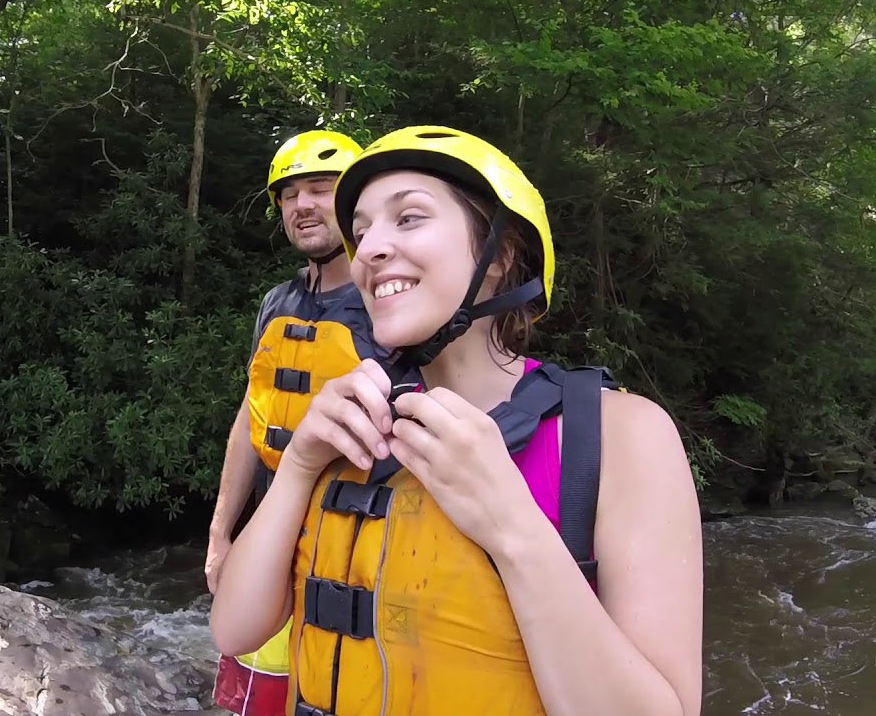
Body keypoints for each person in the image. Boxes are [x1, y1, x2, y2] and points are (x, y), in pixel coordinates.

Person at [209, 125, 704, 716]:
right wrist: (298, 466)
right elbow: (234, 630)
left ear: (500, 257)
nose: (367, 250)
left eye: (409, 218)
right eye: (361, 232)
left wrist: (511, 526)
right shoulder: (355, 423)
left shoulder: (622, 434)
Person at [206, 129, 422, 716]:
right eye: (289, 194)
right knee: (256, 702)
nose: (302, 205)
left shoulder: (394, 300)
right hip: (275, 542)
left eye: (321, 189)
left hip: (364, 553)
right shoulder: (277, 302)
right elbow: (249, 420)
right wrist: (222, 536)